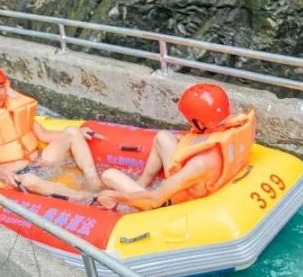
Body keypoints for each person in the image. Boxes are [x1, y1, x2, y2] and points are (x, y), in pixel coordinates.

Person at [97, 83, 255, 211]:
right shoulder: (230, 127)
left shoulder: (201, 163)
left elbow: (155, 200)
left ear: (200, 122)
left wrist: (116, 197)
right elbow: (197, 142)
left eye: (190, 119)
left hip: (170, 204)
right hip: (196, 180)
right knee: (162, 138)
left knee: (109, 175)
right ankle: (141, 183)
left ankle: (137, 194)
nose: (187, 121)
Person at [0, 66, 102, 202]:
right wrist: (8, 176)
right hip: (21, 173)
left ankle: (93, 181)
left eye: (1, 87)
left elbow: (43, 135)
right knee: (28, 180)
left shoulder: (17, 109)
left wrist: (79, 133)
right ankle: (80, 197)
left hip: (41, 161)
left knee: (72, 131)